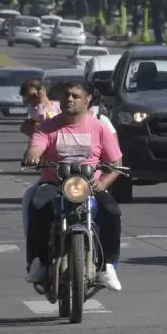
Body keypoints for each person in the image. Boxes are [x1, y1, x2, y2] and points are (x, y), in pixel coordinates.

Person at [23, 81, 124, 290]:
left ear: (87, 100)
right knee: (38, 205)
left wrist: (102, 182)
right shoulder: (48, 126)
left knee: (111, 211)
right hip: (55, 183)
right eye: (66, 95)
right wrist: (33, 154)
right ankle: (39, 262)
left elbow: (116, 164)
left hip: (90, 186)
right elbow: (37, 145)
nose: (69, 99)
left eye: (76, 96)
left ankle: (107, 266)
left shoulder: (99, 127)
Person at [19, 79, 61, 261]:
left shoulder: (60, 107)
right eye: (31, 99)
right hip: (51, 172)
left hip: (76, 174)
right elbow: (37, 132)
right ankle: (36, 258)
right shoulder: (37, 112)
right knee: (31, 201)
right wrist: (32, 155)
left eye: (36, 95)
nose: (35, 101)